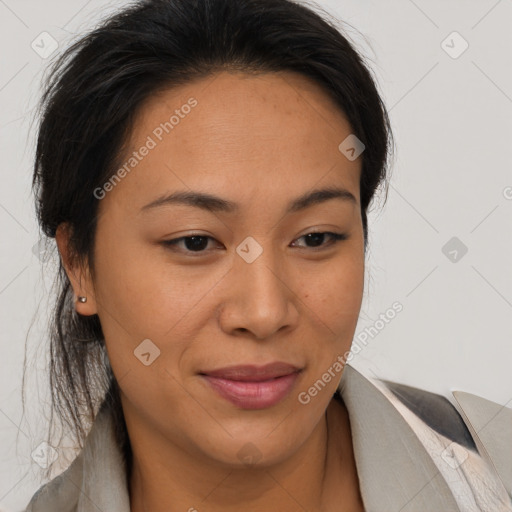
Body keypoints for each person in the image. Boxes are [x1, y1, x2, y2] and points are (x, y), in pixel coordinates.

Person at [24, 0, 512, 510]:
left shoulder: (496, 474)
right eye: (195, 241)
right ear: (79, 263)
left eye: (315, 237)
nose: (264, 313)